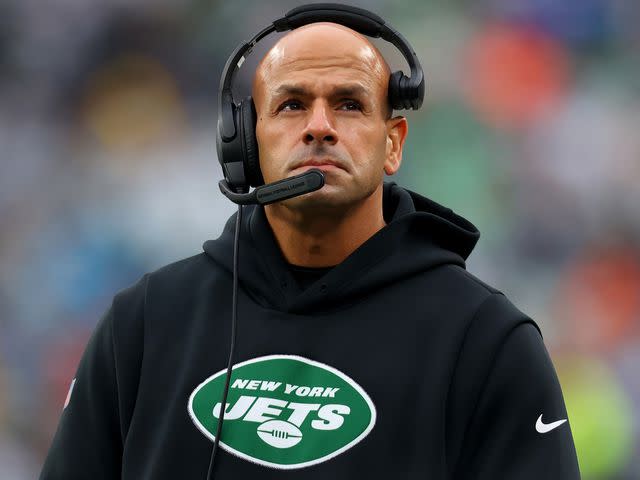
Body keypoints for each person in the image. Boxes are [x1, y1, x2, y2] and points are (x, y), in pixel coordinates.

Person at [39, 11, 582, 480]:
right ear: (246, 143)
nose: (319, 127)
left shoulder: (487, 341)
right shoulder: (144, 323)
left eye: (348, 104)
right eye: (292, 105)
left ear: (392, 143)